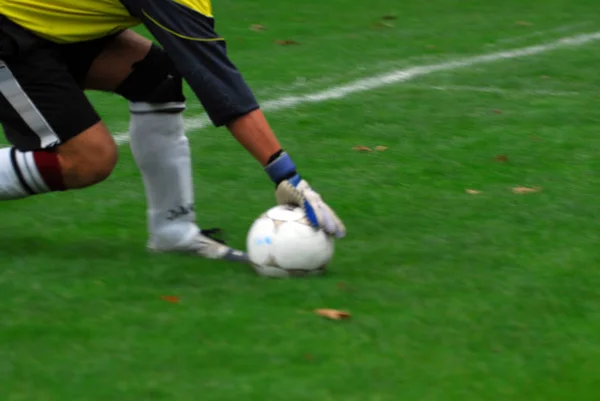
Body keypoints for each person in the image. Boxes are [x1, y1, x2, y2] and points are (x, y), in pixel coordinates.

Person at [0, 0, 346, 263]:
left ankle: (173, 231)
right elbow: (219, 84)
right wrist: (285, 175)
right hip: (11, 30)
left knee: (156, 79)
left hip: (51, 26)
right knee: (89, 159)